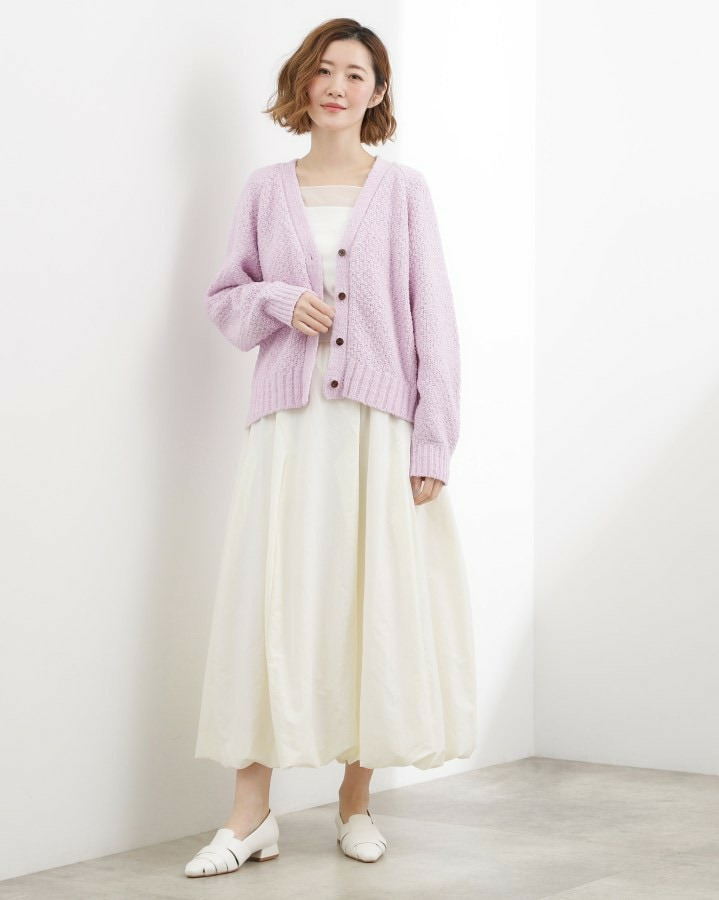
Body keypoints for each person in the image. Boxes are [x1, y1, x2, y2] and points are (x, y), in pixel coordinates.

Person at [185, 17, 477, 876]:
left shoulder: (404, 191)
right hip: (288, 426)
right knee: (270, 599)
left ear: (377, 92)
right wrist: (279, 300)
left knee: (369, 602)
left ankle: (356, 802)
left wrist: (434, 441)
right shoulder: (265, 189)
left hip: (376, 428)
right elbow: (225, 300)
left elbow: (435, 321)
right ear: (302, 83)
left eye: (355, 73)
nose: (337, 86)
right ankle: (250, 815)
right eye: (324, 70)